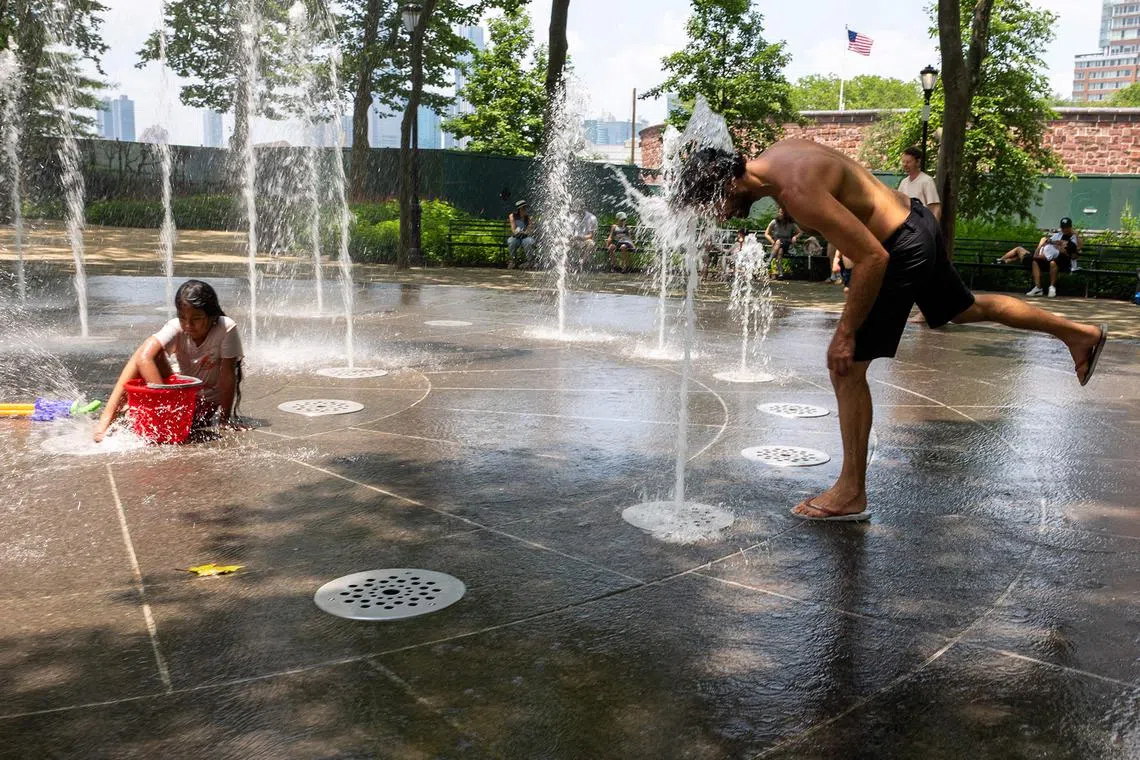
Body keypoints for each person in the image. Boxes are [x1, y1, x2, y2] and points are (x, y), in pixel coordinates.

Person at [678, 139, 1108, 522]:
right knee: (966, 308)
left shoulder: (796, 192)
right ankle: (1079, 333)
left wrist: (845, 332)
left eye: (710, 203)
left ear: (728, 184)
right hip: (915, 222)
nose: (717, 214)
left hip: (897, 246)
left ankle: (850, 491)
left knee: (845, 366)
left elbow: (872, 259)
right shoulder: (781, 154)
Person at [93, 279, 244, 442]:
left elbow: (228, 376)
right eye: (182, 317)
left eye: (196, 319)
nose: (188, 325)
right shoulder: (176, 326)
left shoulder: (225, 328)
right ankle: (106, 421)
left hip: (203, 403)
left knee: (144, 355)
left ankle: (145, 412)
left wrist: (225, 419)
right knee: (144, 353)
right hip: (177, 396)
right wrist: (165, 401)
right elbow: (144, 357)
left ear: (212, 316)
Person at [996, 217, 1081, 298]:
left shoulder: (1073, 239)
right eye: (1063, 227)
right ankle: (1037, 287)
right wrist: (1050, 242)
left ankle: (1003, 260)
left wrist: (1042, 245)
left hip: (1056, 260)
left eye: (1066, 227)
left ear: (1070, 227)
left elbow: (1076, 251)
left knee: (1025, 253)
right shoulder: (1057, 237)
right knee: (1033, 259)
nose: (1064, 229)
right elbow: (1048, 242)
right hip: (1045, 256)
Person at [898, 146, 941, 220]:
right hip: (907, 225)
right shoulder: (903, 182)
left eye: (908, 162)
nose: (905, 165)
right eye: (903, 162)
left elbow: (935, 208)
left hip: (922, 225)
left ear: (918, 162)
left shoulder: (927, 181)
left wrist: (932, 228)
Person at [764, 206, 801, 279]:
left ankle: (768, 261)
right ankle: (781, 274)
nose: (782, 214)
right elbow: (766, 233)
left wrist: (795, 237)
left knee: (778, 242)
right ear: (778, 213)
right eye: (780, 212)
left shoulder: (791, 223)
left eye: (783, 213)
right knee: (779, 252)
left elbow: (800, 232)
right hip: (777, 245)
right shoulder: (774, 222)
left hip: (787, 243)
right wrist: (771, 241)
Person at [507, 199, 535, 269]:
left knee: (528, 242)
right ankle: (513, 261)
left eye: (526, 208)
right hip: (516, 236)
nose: (526, 209)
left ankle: (530, 261)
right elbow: (513, 229)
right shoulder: (512, 216)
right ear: (519, 209)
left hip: (526, 236)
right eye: (524, 208)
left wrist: (525, 232)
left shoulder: (529, 217)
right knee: (511, 241)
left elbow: (529, 229)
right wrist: (517, 232)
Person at [571, 201, 598, 270]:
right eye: (576, 208)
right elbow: (570, 231)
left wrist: (580, 238)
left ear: (583, 208)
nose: (577, 210)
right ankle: (565, 267)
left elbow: (591, 236)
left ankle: (581, 264)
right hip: (575, 241)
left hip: (586, 240)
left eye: (579, 208)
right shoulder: (573, 217)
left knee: (590, 244)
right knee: (559, 242)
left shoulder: (592, 218)